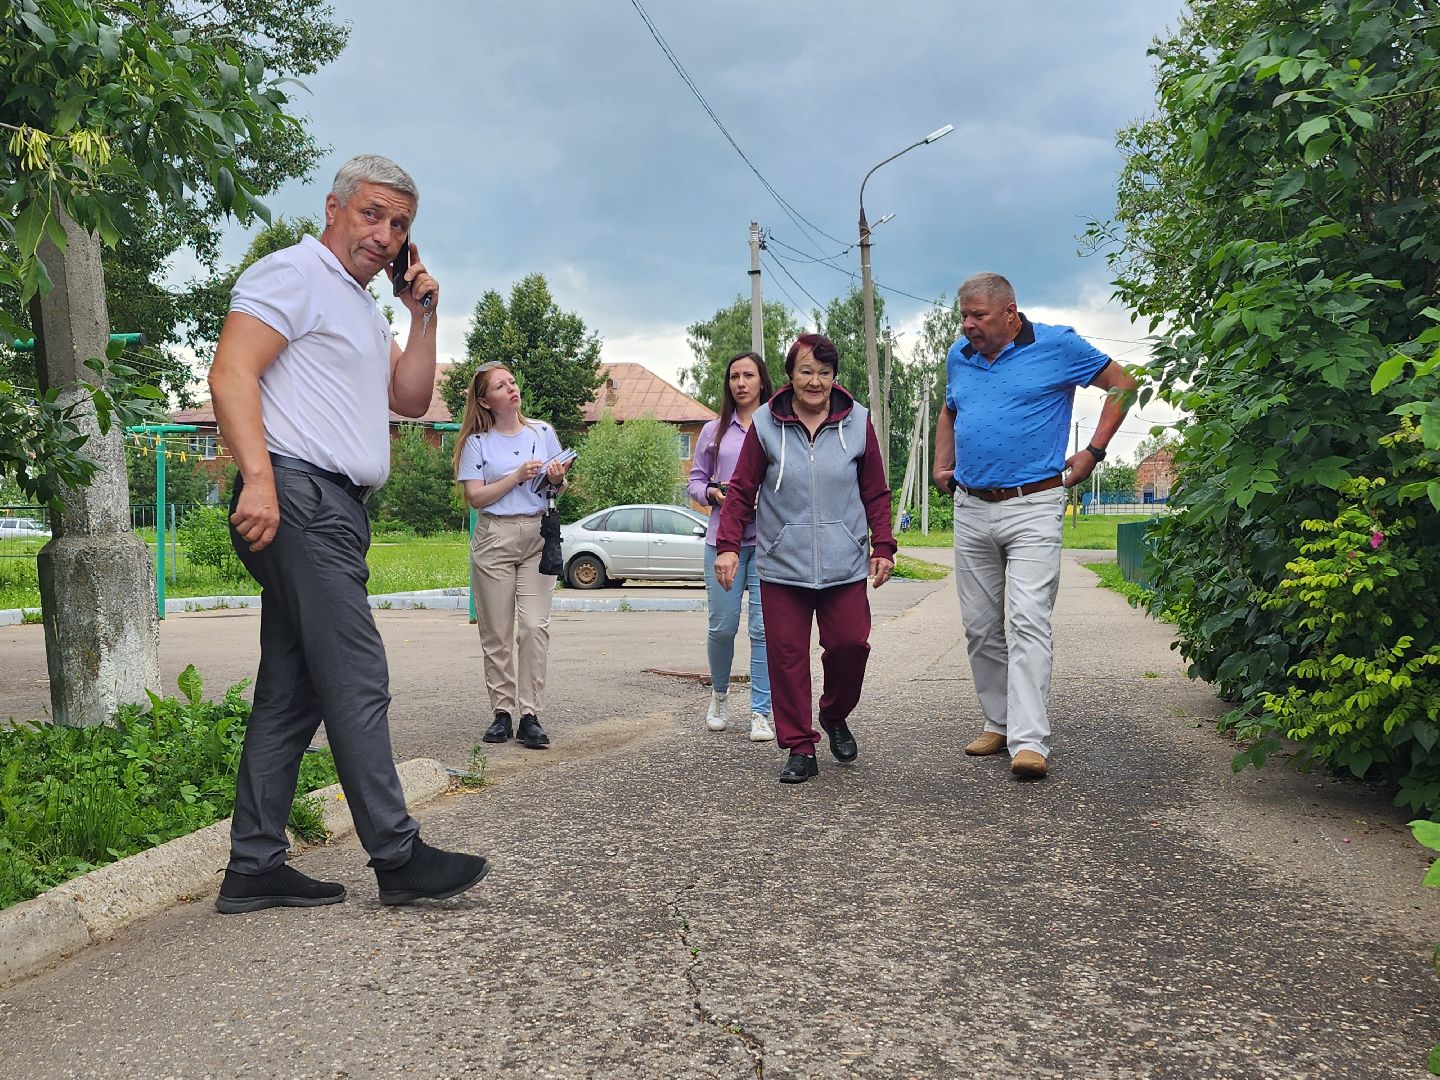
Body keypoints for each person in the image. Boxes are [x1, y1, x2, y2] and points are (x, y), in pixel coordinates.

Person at [208, 154, 490, 912]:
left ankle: (254, 864)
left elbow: (410, 395)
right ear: (332, 208)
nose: (386, 234)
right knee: (357, 676)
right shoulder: (293, 274)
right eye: (373, 215)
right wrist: (259, 480)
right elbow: (231, 373)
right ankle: (397, 855)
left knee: (292, 692)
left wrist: (421, 313)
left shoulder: (362, 306)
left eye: (400, 225)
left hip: (331, 508)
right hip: (297, 496)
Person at [933, 272, 1136, 780]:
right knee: (980, 627)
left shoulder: (1058, 345)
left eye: (977, 315)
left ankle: (1029, 741)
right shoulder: (961, 355)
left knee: (1027, 620)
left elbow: (1123, 386)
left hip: (1035, 503)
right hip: (971, 506)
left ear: (1009, 311)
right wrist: (942, 465)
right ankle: (997, 723)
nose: (967, 325)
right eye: (964, 315)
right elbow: (949, 409)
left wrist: (1093, 452)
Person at [715, 334, 896, 785]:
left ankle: (834, 713)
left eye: (824, 372)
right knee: (787, 657)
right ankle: (799, 745)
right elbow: (740, 491)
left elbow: (875, 490)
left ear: (835, 376)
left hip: (844, 563)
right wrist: (728, 546)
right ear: (790, 375)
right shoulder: (764, 424)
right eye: (805, 371)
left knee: (851, 646)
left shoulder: (857, 422)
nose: (815, 381)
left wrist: (884, 546)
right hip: (782, 565)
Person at [454, 362, 573, 750]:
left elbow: (560, 485)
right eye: (500, 386)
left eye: (512, 381)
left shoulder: (542, 432)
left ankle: (530, 714)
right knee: (497, 631)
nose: (511, 388)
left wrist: (556, 478)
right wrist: (516, 476)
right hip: (495, 536)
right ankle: (501, 712)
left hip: (538, 533)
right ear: (486, 401)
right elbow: (476, 496)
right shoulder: (478, 443)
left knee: (535, 626)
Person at [687, 351, 775, 742]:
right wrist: (712, 492)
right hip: (722, 542)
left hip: (769, 542)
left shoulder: (777, 424)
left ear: (762, 381)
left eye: (748, 376)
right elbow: (694, 482)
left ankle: (760, 712)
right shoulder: (713, 430)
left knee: (763, 629)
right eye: (734, 376)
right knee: (723, 627)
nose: (740, 383)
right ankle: (719, 696)